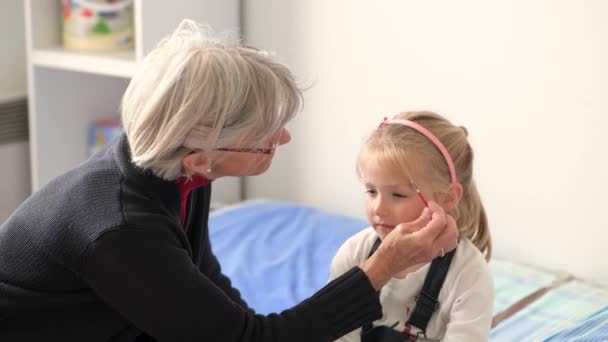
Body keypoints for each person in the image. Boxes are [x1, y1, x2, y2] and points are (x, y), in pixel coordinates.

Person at [0, 20, 458, 342]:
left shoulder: (169, 167)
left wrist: (254, 323)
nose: (284, 136)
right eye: (266, 140)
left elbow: (204, 278)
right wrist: (380, 270)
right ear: (204, 158)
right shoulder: (120, 230)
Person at [330, 111, 494, 341]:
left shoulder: (468, 273)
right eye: (371, 191)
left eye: (397, 194)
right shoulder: (355, 254)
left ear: (448, 198)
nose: (379, 208)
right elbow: (340, 334)